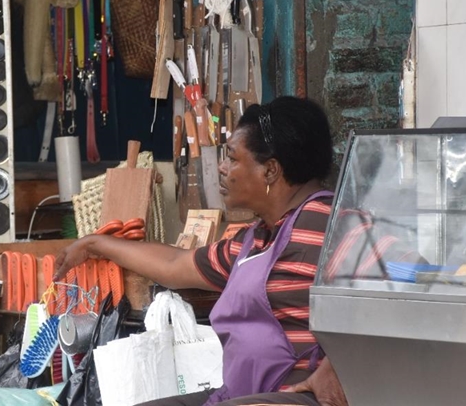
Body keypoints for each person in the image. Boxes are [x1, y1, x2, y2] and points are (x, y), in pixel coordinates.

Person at [54, 96, 348, 406]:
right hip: (243, 394)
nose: (222, 168)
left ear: (271, 170)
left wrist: (341, 364)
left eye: (233, 158)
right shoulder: (257, 239)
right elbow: (175, 264)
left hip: (296, 398)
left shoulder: (330, 224)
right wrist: (94, 244)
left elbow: (402, 285)